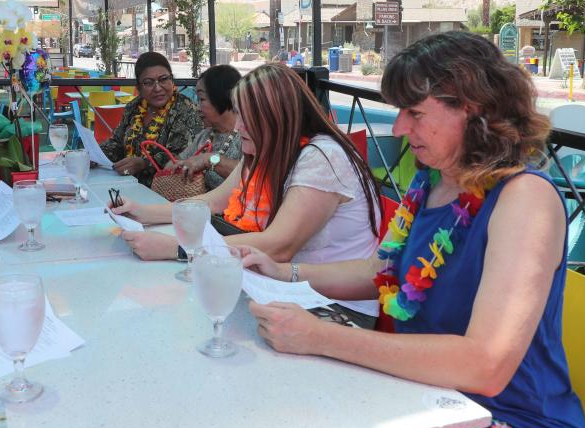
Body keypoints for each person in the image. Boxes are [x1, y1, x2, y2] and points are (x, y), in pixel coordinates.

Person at [243, 32, 585, 428]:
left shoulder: (524, 197)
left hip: (508, 420)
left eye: (415, 113)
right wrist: (281, 271)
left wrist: (320, 337)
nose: (398, 129)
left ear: (473, 108)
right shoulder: (432, 182)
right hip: (425, 399)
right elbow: (381, 271)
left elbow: (486, 365)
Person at [111, 63, 380, 323]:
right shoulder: (267, 147)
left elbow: (279, 245)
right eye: (238, 114)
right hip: (278, 288)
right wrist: (140, 212)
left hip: (332, 305)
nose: (238, 127)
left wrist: (179, 249)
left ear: (277, 117)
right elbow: (213, 201)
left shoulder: (322, 159)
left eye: (247, 117)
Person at [99, 51, 203, 187]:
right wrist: (95, 155)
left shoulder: (185, 109)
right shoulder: (134, 106)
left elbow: (181, 156)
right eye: (148, 82)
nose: (157, 88)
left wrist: (144, 163)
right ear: (139, 88)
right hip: (127, 184)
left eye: (163, 79)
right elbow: (117, 142)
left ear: (172, 80)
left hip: (167, 190)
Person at [168, 64, 242, 190]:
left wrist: (209, 160)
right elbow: (175, 163)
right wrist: (177, 167)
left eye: (201, 99)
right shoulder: (205, 136)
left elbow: (253, 175)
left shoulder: (246, 135)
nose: (197, 107)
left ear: (221, 96)